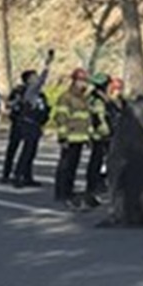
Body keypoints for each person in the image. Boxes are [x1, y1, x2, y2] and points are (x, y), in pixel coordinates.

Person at [1, 61, 52, 188]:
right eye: (33, 77)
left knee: (31, 152)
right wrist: (47, 65)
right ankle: (16, 175)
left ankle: (27, 176)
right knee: (24, 151)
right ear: (28, 80)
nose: (36, 79)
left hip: (35, 124)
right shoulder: (29, 91)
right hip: (25, 124)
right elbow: (42, 80)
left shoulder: (39, 93)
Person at [53, 68, 94, 207]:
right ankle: (61, 192)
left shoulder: (83, 98)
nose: (84, 84)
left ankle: (69, 190)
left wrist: (88, 136)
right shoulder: (66, 97)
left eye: (85, 82)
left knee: (73, 166)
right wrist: (63, 137)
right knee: (65, 166)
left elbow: (86, 119)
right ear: (75, 81)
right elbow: (61, 118)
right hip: (70, 137)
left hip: (80, 137)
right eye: (82, 81)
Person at [84, 72, 117, 207]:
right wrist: (107, 133)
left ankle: (97, 184)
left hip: (101, 135)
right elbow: (100, 119)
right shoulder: (97, 100)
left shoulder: (100, 98)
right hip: (100, 136)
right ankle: (93, 185)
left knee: (101, 161)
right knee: (97, 161)